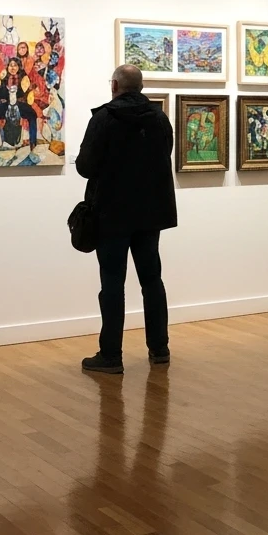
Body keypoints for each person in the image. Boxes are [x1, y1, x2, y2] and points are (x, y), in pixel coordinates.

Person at [75, 64, 177, 375]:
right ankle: (159, 349)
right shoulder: (159, 119)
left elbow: (85, 166)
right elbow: (166, 153)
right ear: (141, 87)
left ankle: (111, 355)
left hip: (112, 214)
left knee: (112, 285)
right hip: (150, 214)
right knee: (152, 281)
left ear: (115, 86)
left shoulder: (104, 118)